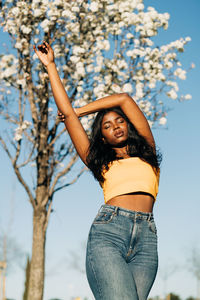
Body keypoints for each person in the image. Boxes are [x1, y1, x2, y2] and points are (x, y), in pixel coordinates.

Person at [34, 41, 161, 300]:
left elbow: (123, 99)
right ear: (101, 137)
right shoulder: (99, 162)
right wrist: (51, 66)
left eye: (120, 121)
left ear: (128, 125)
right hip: (109, 235)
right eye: (107, 126)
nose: (115, 126)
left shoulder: (149, 153)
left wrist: (81, 110)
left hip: (147, 240)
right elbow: (67, 116)